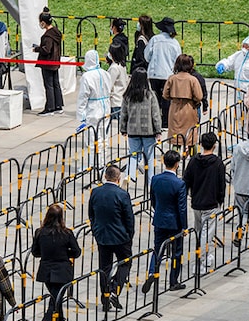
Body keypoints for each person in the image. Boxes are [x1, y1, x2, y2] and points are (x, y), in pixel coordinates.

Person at [32, 205, 82, 321]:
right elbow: (77, 252)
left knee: (55, 297)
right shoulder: (66, 233)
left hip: (46, 270)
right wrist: (65, 254)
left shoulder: (40, 232)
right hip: (62, 270)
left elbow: (35, 252)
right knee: (54, 300)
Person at [88, 165, 135, 311]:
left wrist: (95, 229)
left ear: (105, 176)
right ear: (118, 178)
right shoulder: (122, 194)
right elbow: (129, 218)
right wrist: (129, 235)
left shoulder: (95, 192)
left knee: (105, 268)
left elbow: (91, 215)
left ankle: (105, 297)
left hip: (102, 236)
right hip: (121, 236)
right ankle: (114, 289)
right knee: (125, 263)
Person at [142, 150, 188, 294]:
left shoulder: (155, 179)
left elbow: (153, 200)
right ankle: (173, 281)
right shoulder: (179, 184)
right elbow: (182, 208)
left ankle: (152, 272)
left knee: (157, 250)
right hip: (174, 222)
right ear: (177, 164)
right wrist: (184, 226)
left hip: (160, 219)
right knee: (176, 252)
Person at [183, 132, 226, 272]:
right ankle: (200, 261)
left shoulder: (194, 161)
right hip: (211, 203)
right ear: (214, 145)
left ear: (200, 144)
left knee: (200, 231)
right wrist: (221, 199)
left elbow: (186, 180)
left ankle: (206, 255)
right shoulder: (218, 163)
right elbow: (221, 184)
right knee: (207, 234)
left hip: (196, 202)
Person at [120, 68, 162, 184]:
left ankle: (129, 176)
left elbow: (123, 113)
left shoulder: (128, 95)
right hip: (148, 131)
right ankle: (150, 182)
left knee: (133, 155)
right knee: (149, 157)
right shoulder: (150, 95)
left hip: (132, 131)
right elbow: (155, 114)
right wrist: (158, 130)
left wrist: (123, 128)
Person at [144, 17, 182, 128]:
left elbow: (147, 56)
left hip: (154, 74)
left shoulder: (155, 40)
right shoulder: (175, 43)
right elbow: (178, 59)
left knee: (153, 99)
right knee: (166, 99)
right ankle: (165, 122)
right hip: (168, 75)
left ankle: (154, 122)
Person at [77, 49, 112, 163]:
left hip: (93, 108)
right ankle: (103, 162)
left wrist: (81, 114)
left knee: (92, 139)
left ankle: (93, 164)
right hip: (105, 107)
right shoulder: (106, 73)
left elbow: (83, 96)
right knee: (103, 137)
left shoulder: (87, 76)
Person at [163, 54, 203, 149]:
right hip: (189, 108)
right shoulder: (192, 79)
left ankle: (174, 160)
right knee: (190, 138)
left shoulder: (172, 78)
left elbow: (165, 94)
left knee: (176, 138)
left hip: (175, 108)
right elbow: (199, 96)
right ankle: (193, 159)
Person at [33, 7, 64, 116]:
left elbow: (46, 50)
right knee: (56, 84)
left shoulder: (47, 36)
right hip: (55, 62)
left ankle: (50, 107)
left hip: (48, 63)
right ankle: (58, 105)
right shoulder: (56, 32)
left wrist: (37, 49)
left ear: (43, 22)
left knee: (49, 85)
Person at [215, 35, 249, 100]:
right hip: (237, 89)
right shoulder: (239, 55)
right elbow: (229, 61)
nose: (244, 48)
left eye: (246, 46)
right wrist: (222, 65)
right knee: (237, 107)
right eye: (243, 46)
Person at [107, 43, 129, 123]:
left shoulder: (114, 68)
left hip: (115, 100)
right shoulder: (122, 66)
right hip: (121, 98)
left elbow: (109, 84)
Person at [189, 56, 209, 120]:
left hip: (179, 107)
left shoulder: (175, 77)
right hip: (195, 106)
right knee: (194, 127)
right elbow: (203, 92)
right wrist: (205, 106)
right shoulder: (198, 76)